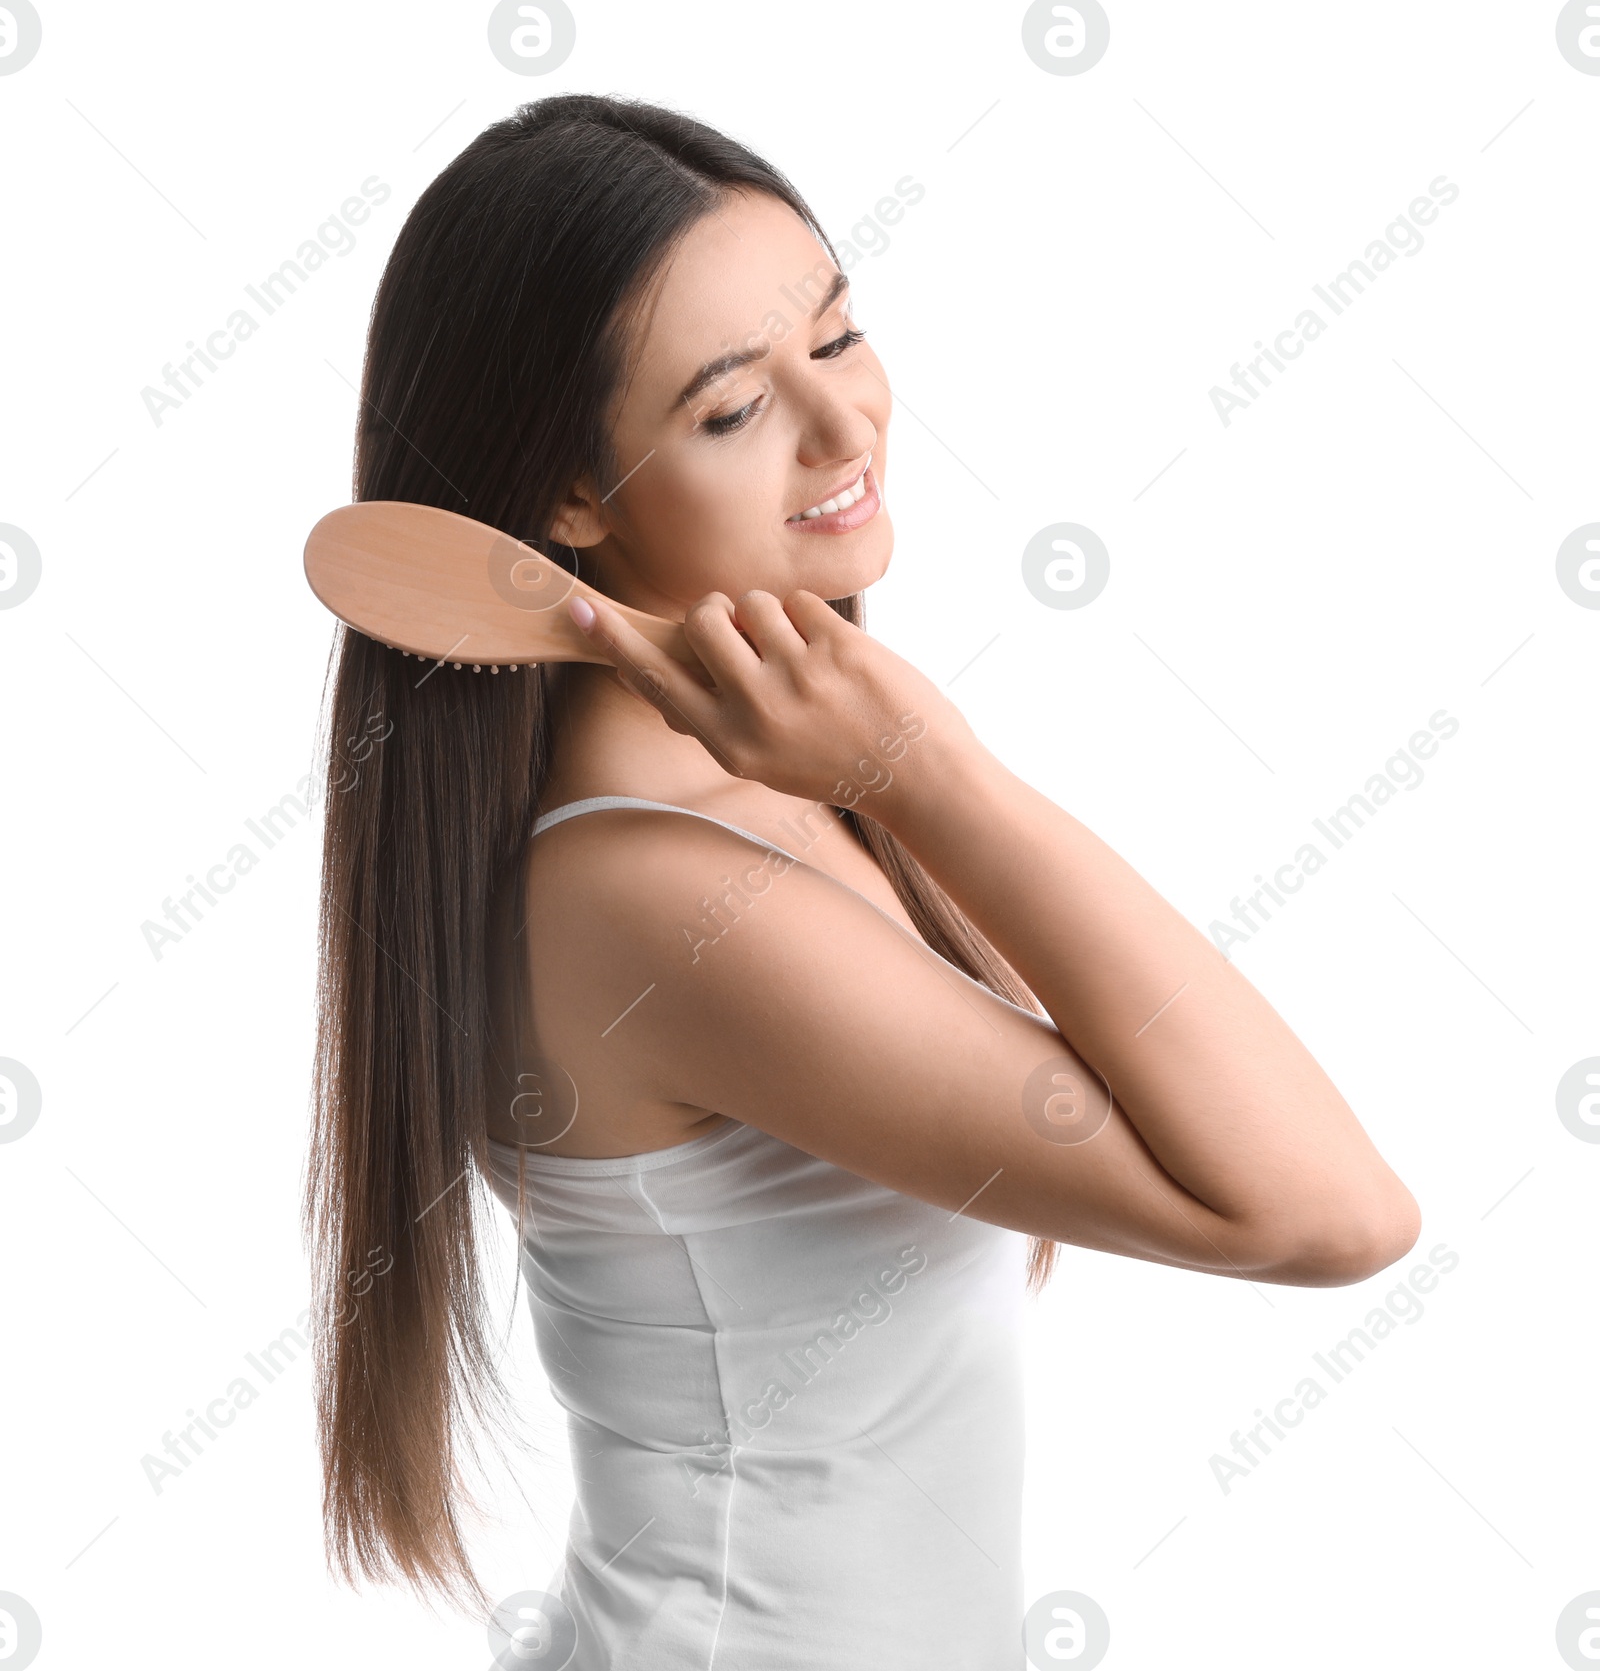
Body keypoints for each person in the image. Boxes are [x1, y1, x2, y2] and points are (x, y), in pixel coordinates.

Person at [304, 92, 1419, 1669]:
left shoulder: (750, 805)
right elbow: (1326, 1212)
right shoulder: (654, 899)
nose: (843, 429)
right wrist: (933, 767)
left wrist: (901, 779)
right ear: (565, 501)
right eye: (729, 408)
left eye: (834, 338)